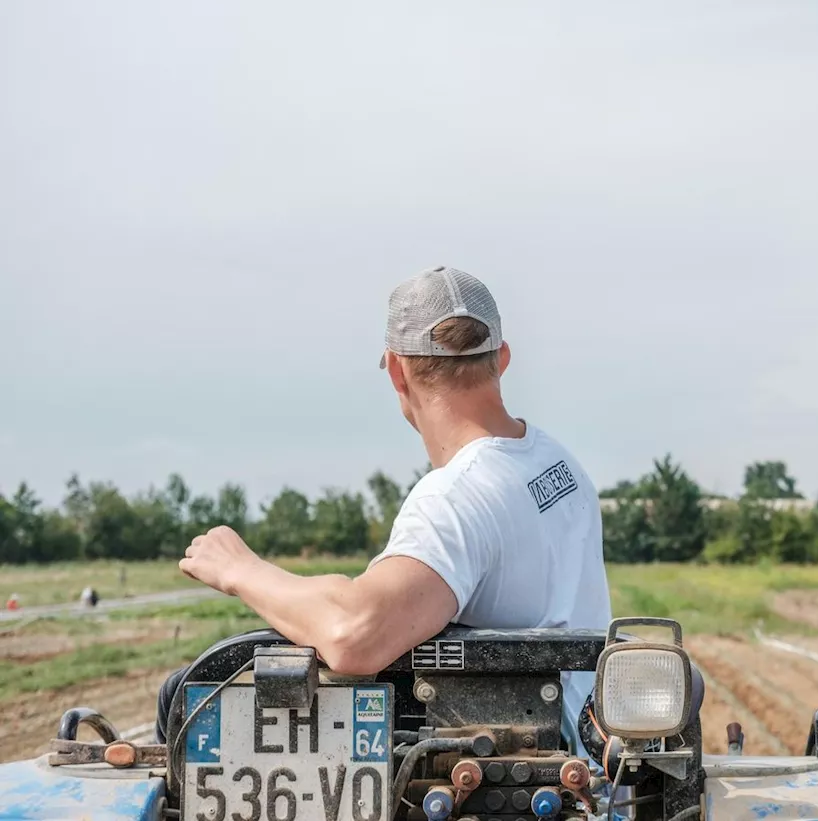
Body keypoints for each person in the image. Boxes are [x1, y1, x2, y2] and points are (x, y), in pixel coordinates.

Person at [172, 265, 612, 751]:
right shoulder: (558, 465)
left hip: (517, 775)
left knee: (181, 696)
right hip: (588, 760)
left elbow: (353, 633)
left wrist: (241, 569)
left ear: (398, 370)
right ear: (502, 358)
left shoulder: (457, 496)